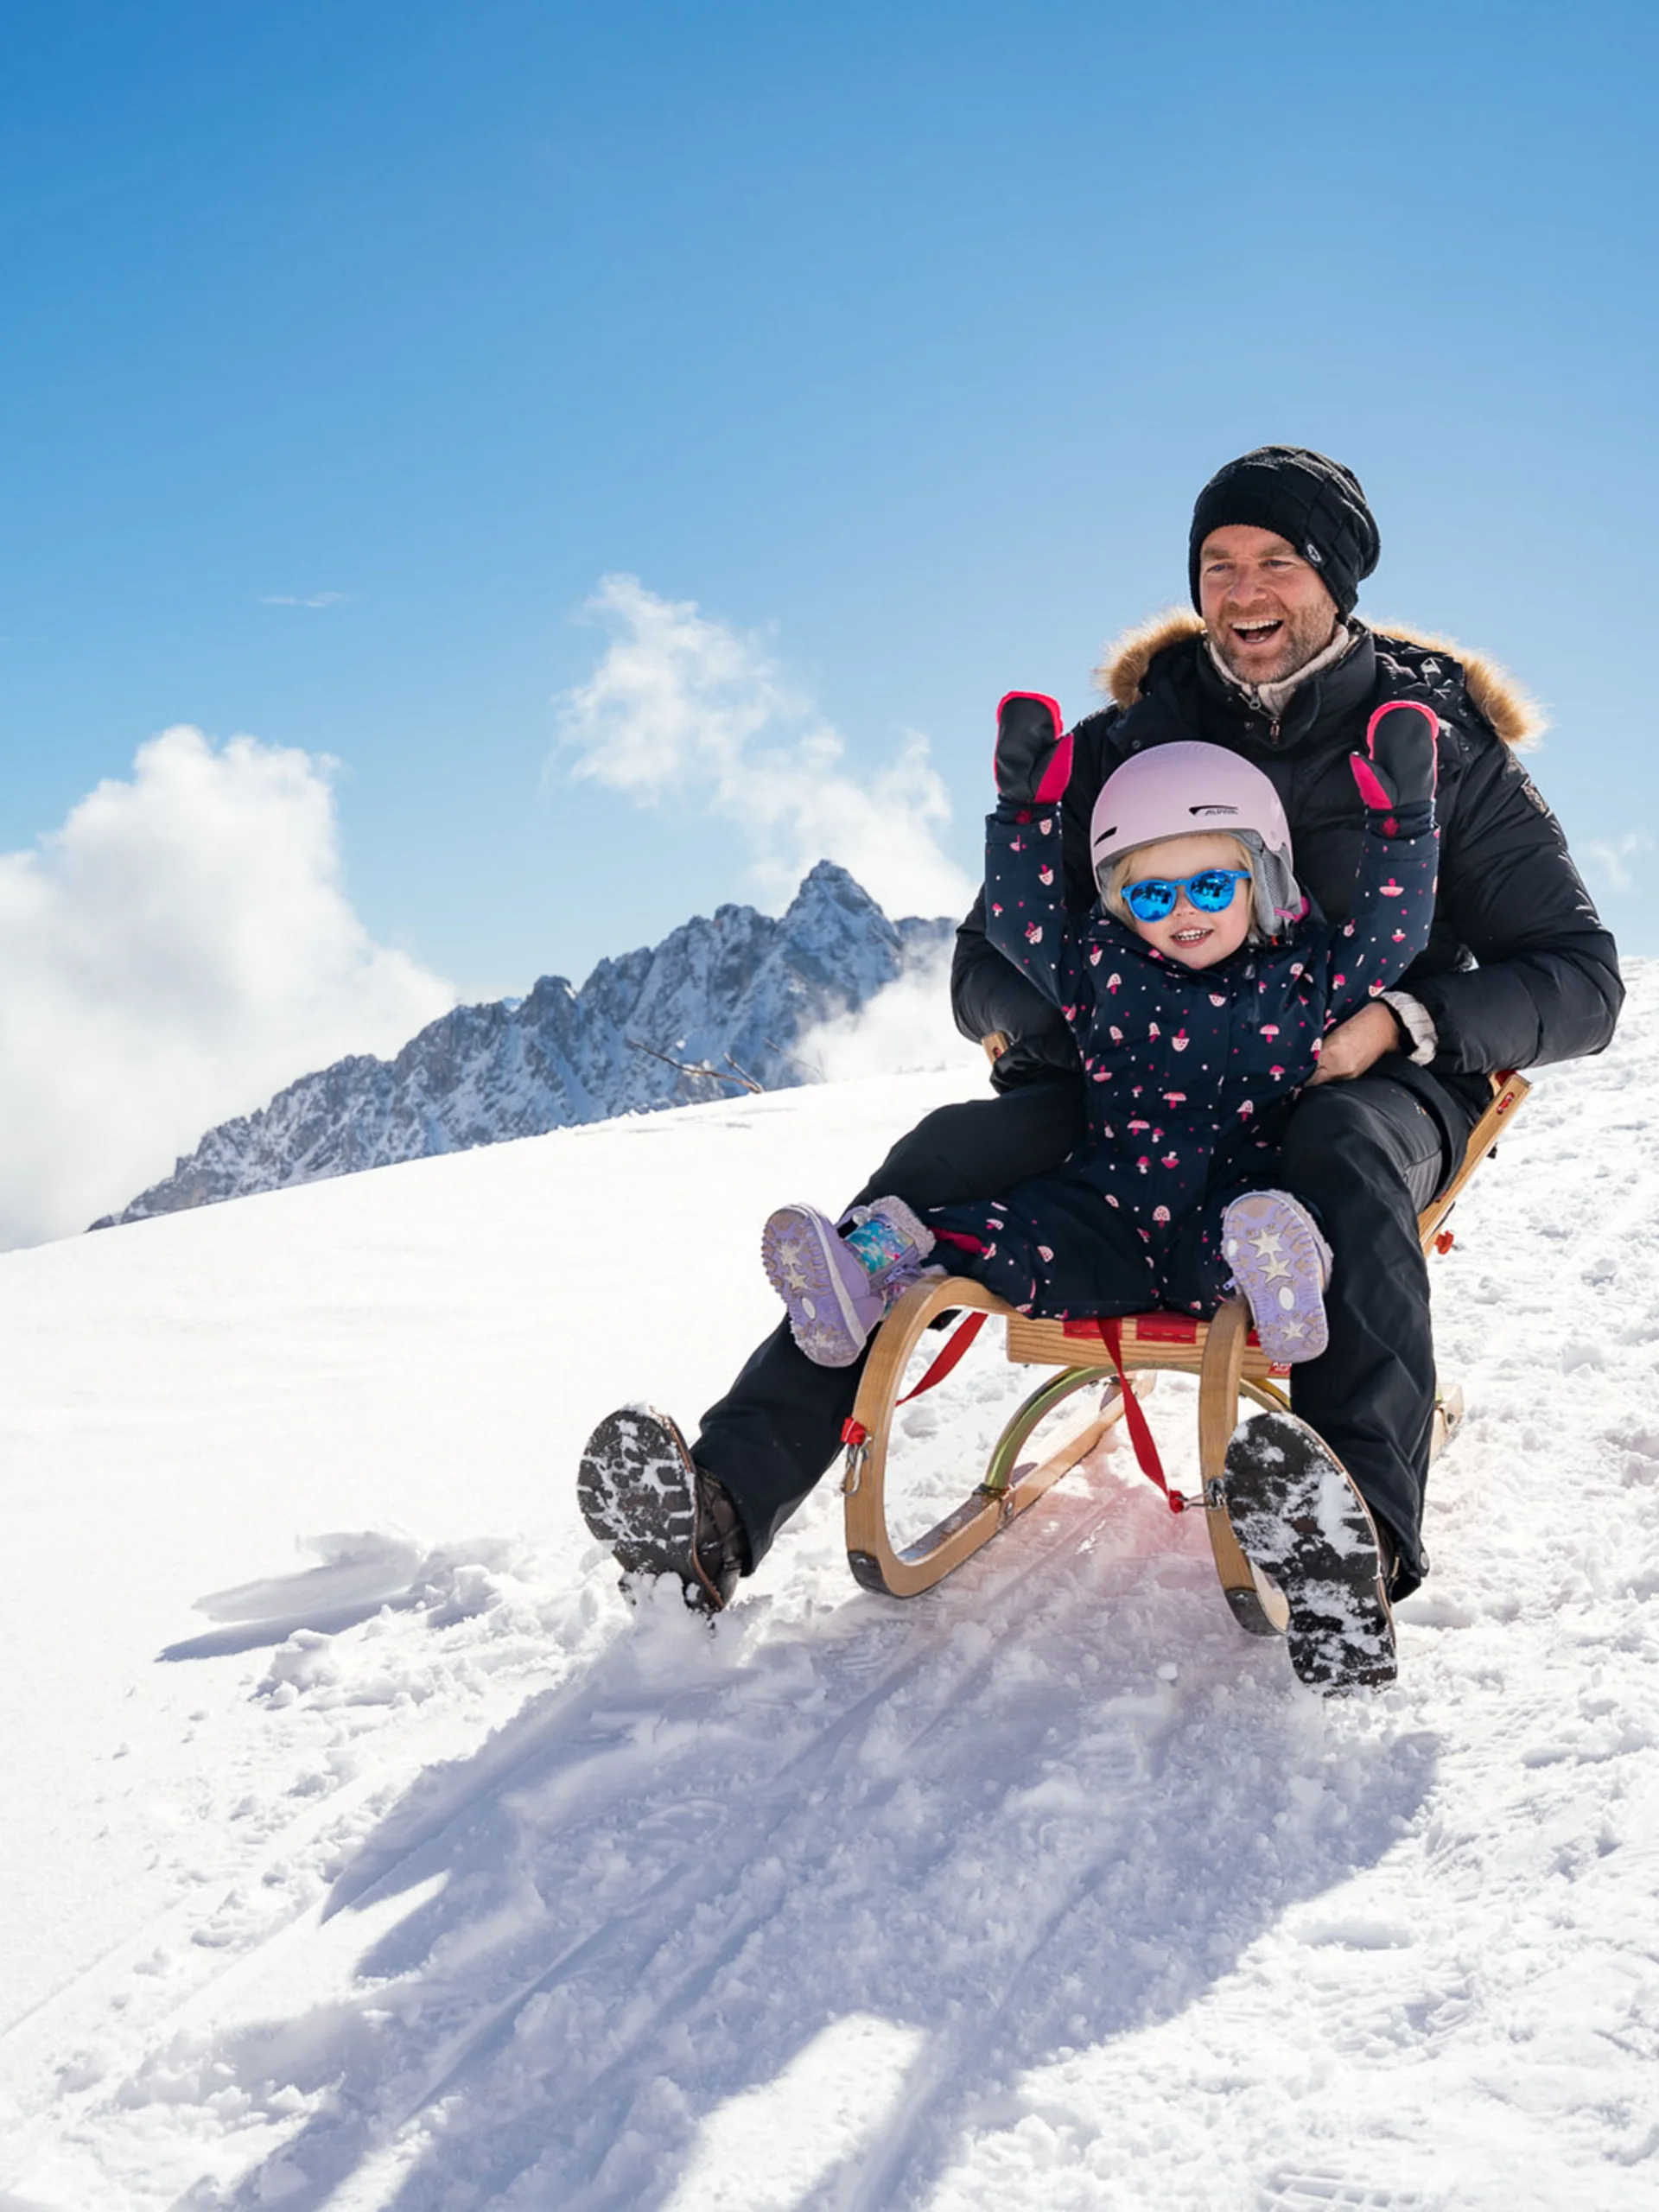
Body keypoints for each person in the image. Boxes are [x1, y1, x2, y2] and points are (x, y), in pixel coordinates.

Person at [577, 446, 1623, 1640]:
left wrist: (1403, 1023)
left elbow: (1582, 980)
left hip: (1360, 1075)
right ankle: (719, 1508)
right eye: (1219, 565)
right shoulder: (1127, 743)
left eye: (1277, 561)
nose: (1244, 591)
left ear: (1336, 582)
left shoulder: (1438, 744)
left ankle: (1354, 1545)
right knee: (945, 1157)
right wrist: (1102, 1021)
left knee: (1338, 1156)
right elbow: (987, 963)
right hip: (1131, 1084)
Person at [760, 715, 1439, 1376]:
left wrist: (1403, 824)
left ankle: (1291, 1277)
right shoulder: (1102, 969)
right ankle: (865, 1272)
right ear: (1121, 906)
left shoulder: (1302, 975)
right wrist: (1024, 816)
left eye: (1209, 886)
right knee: (989, 1230)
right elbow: (1020, 928)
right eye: (1151, 897)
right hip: (1104, 1211)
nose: (1184, 911)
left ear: (1263, 882)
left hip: (1232, 1206)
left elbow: (1391, 937)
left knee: (1256, 1235)